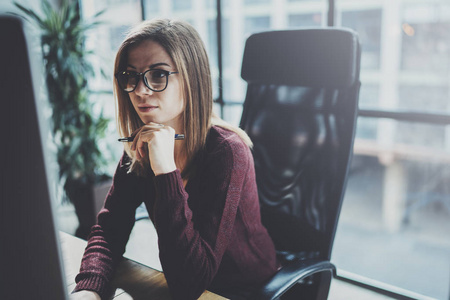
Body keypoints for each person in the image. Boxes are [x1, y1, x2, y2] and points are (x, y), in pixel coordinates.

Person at [70, 18, 278, 300]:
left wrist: (166, 170)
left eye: (158, 74)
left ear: (192, 78)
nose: (140, 90)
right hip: (191, 280)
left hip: (243, 288)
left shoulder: (227, 151)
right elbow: (109, 230)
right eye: (131, 75)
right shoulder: (141, 145)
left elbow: (188, 285)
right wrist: (88, 289)